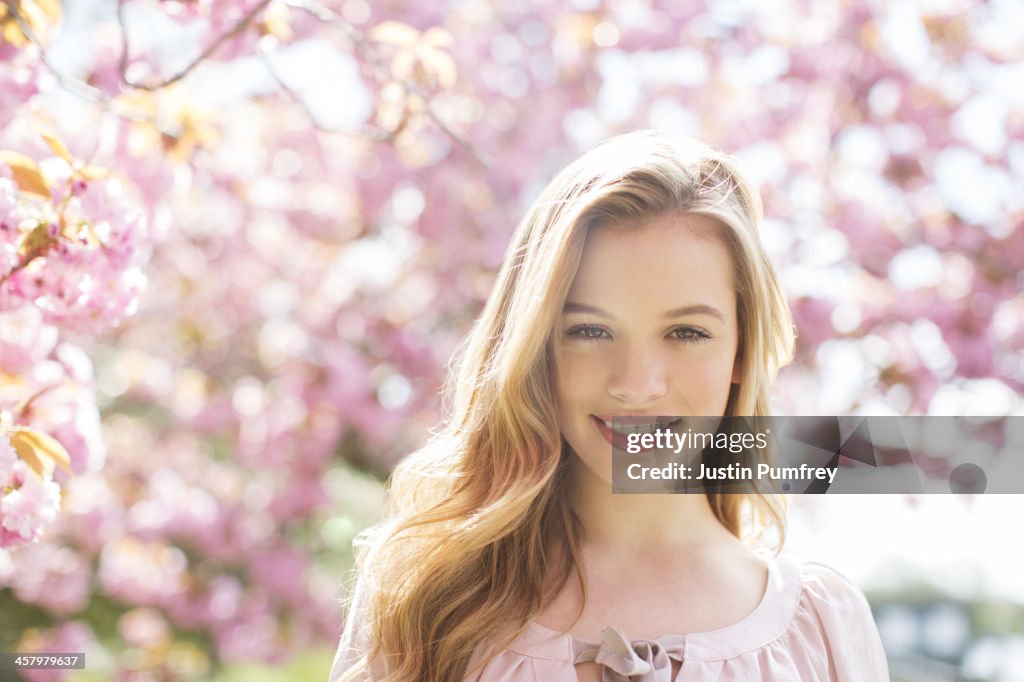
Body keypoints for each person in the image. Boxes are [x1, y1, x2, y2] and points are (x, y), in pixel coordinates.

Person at [329, 130, 890, 681]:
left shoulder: (818, 628)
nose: (636, 384)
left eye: (687, 332)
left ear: (741, 351)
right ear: (537, 346)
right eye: (591, 330)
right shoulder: (429, 599)